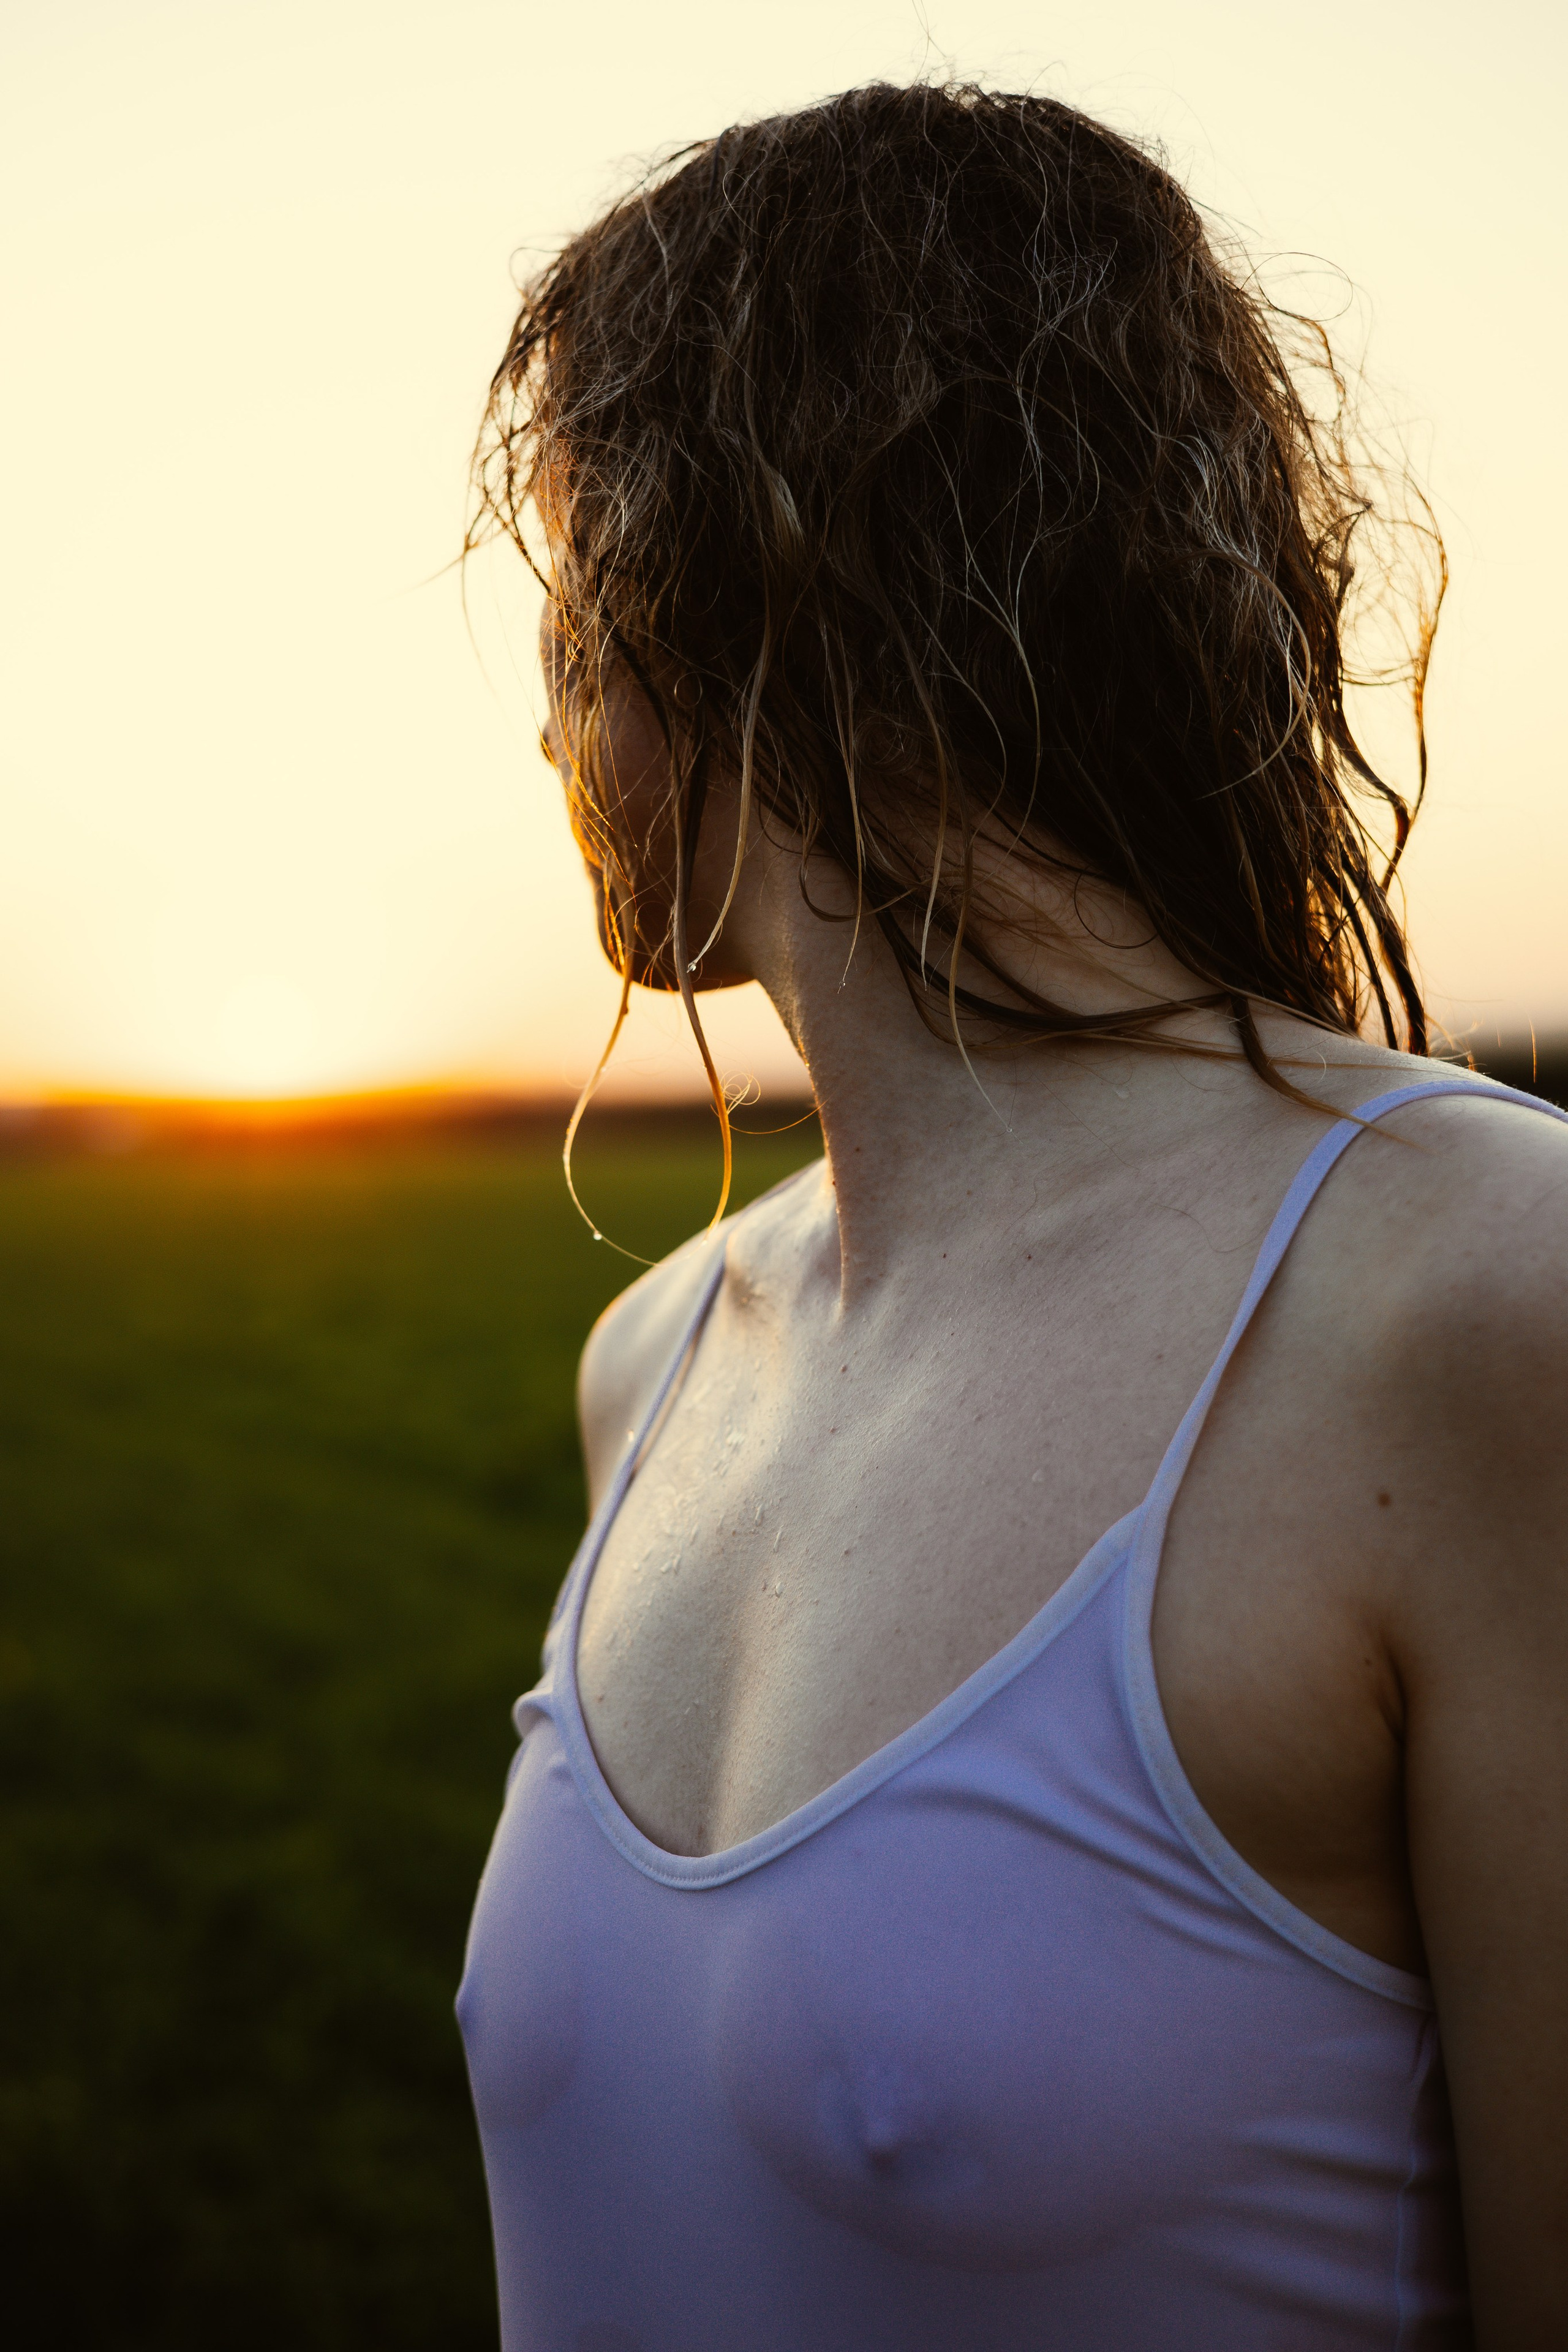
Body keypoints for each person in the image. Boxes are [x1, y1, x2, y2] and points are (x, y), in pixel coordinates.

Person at [456, 81, 1567, 2350]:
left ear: (730, 587)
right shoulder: (658, 1365)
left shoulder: (1482, 1302)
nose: (555, 728)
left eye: (577, 599)